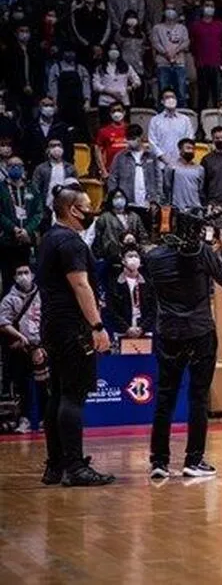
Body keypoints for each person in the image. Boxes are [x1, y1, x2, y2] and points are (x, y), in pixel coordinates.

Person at [144, 209, 222, 479]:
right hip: (199, 331)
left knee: (165, 397)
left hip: (168, 332)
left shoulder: (153, 257)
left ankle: (159, 462)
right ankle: (193, 460)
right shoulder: (203, 253)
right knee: (198, 397)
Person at [36, 183, 115, 486]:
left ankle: (55, 465)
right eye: (87, 207)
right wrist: (97, 326)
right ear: (72, 210)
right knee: (73, 395)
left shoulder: (48, 238)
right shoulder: (70, 242)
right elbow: (81, 285)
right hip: (72, 327)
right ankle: (75, 467)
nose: (91, 211)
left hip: (52, 325)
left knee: (57, 394)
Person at [0, 264, 44, 434]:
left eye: (26, 272)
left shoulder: (42, 294)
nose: (23, 276)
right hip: (20, 348)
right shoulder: (9, 299)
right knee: (22, 385)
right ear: (14, 277)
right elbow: (3, 322)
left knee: (44, 385)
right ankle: (24, 419)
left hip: (41, 348)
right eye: (19, 273)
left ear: (32, 275)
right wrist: (19, 337)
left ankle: (45, 419)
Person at [106, 125, 162, 228]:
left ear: (141, 137)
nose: (130, 141)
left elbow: (158, 178)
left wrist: (156, 200)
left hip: (147, 203)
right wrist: (114, 199)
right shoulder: (120, 157)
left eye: (133, 138)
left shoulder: (151, 156)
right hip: (127, 203)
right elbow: (113, 179)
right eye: (128, 138)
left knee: (146, 231)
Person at [0, 161, 43, 291]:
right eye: (12, 165)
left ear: (23, 169)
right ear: (7, 168)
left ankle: (28, 300)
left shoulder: (32, 188)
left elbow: (38, 212)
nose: (15, 168)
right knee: (8, 276)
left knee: (28, 273)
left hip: (27, 239)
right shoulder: (1, 188)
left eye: (18, 165)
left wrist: (27, 230)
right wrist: (13, 228)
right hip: (7, 239)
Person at [105, 247, 157, 338]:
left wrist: (142, 328)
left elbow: (153, 309)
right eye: (130, 256)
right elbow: (111, 310)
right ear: (123, 261)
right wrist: (126, 328)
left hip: (144, 331)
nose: (133, 259)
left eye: (136, 256)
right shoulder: (114, 283)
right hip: (121, 332)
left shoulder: (148, 283)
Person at [90, 188, 148, 268]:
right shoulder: (104, 218)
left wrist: (140, 249)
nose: (119, 200)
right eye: (116, 197)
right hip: (112, 258)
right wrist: (100, 256)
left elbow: (143, 236)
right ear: (111, 200)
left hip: (134, 256)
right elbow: (97, 240)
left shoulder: (134, 216)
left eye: (121, 197)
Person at [151, 5, 190, 105]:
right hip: (163, 63)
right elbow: (155, 43)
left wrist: (176, 51)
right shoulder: (157, 28)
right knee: (163, 90)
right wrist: (166, 53)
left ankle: (182, 111)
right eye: (168, 9)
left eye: (172, 9)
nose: (170, 11)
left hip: (179, 63)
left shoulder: (182, 28)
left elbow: (186, 42)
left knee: (181, 90)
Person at [166, 138, 204, 210]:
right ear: (180, 150)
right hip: (178, 208)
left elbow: (201, 189)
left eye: (192, 149)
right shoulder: (172, 167)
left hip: (195, 208)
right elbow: (167, 186)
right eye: (188, 148)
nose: (190, 151)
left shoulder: (200, 169)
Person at [93, 105, 128, 177]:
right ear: (110, 114)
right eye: (113, 111)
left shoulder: (130, 129)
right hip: (111, 169)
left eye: (119, 110)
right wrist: (103, 170)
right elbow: (98, 151)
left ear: (124, 112)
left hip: (129, 169)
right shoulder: (103, 131)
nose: (116, 113)